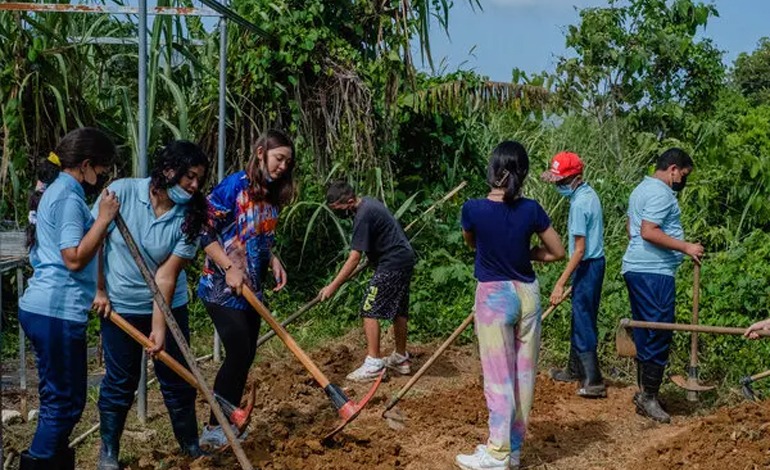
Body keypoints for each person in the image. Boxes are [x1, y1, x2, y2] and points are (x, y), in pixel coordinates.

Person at [91, 141, 210, 468]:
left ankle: (191, 448)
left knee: (177, 378)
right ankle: (109, 453)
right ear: (168, 169)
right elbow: (95, 240)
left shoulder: (192, 216)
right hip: (120, 307)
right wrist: (99, 289)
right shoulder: (121, 194)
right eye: (189, 176)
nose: (194, 186)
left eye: (199, 179)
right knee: (120, 380)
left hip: (170, 305)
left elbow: (166, 276)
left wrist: (160, 329)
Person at [456, 141, 565, 470]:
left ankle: (498, 454)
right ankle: (513, 449)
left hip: (494, 296)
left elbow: (472, 243)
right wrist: (530, 253)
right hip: (527, 294)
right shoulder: (531, 209)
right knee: (523, 375)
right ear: (524, 173)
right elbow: (557, 251)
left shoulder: (472, 209)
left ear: (491, 170)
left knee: (498, 378)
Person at [19, 127, 118, 469]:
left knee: (66, 400)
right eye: (102, 170)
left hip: (51, 309)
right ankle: (41, 461)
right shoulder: (68, 197)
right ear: (87, 165)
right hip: (56, 310)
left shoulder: (60, 192)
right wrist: (103, 220)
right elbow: (73, 257)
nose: (102, 178)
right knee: (63, 403)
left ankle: (53, 460)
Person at [196, 129, 293, 449]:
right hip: (221, 287)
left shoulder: (271, 193)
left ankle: (229, 422)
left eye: (287, 162)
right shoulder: (234, 186)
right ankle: (213, 428)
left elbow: (256, 234)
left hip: (251, 287)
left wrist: (273, 259)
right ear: (261, 151)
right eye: (279, 158)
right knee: (238, 351)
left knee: (246, 355)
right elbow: (203, 229)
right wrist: (227, 267)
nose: (283, 167)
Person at [622, 147, 704, 423]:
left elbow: (630, 228)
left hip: (637, 268)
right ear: (672, 170)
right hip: (652, 272)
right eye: (683, 174)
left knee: (647, 330)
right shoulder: (660, 193)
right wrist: (686, 247)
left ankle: (645, 392)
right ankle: (649, 397)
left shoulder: (640, 190)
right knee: (659, 331)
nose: (683, 180)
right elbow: (648, 231)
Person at [320, 181, 416, 382]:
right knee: (399, 310)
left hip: (392, 262)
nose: (340, 214)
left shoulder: (363, 215)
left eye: (340, 209)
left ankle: (373, 363)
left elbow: (354, 257)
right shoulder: (369, 204)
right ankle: (400, 358)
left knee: (369, 308)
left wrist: (332, 286)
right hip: (403, 258)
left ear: (350, 201)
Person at [541, 151, 607, 398]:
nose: (558, 185)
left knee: (584, 320)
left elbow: (579, 250)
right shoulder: (588, 194)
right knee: (580, 316)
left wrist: (560, 283)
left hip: (588, 265)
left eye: (560, 181)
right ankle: (573, 369)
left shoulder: (580, 204)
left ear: (576, 178)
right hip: (593, 263)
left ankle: (593, 381)